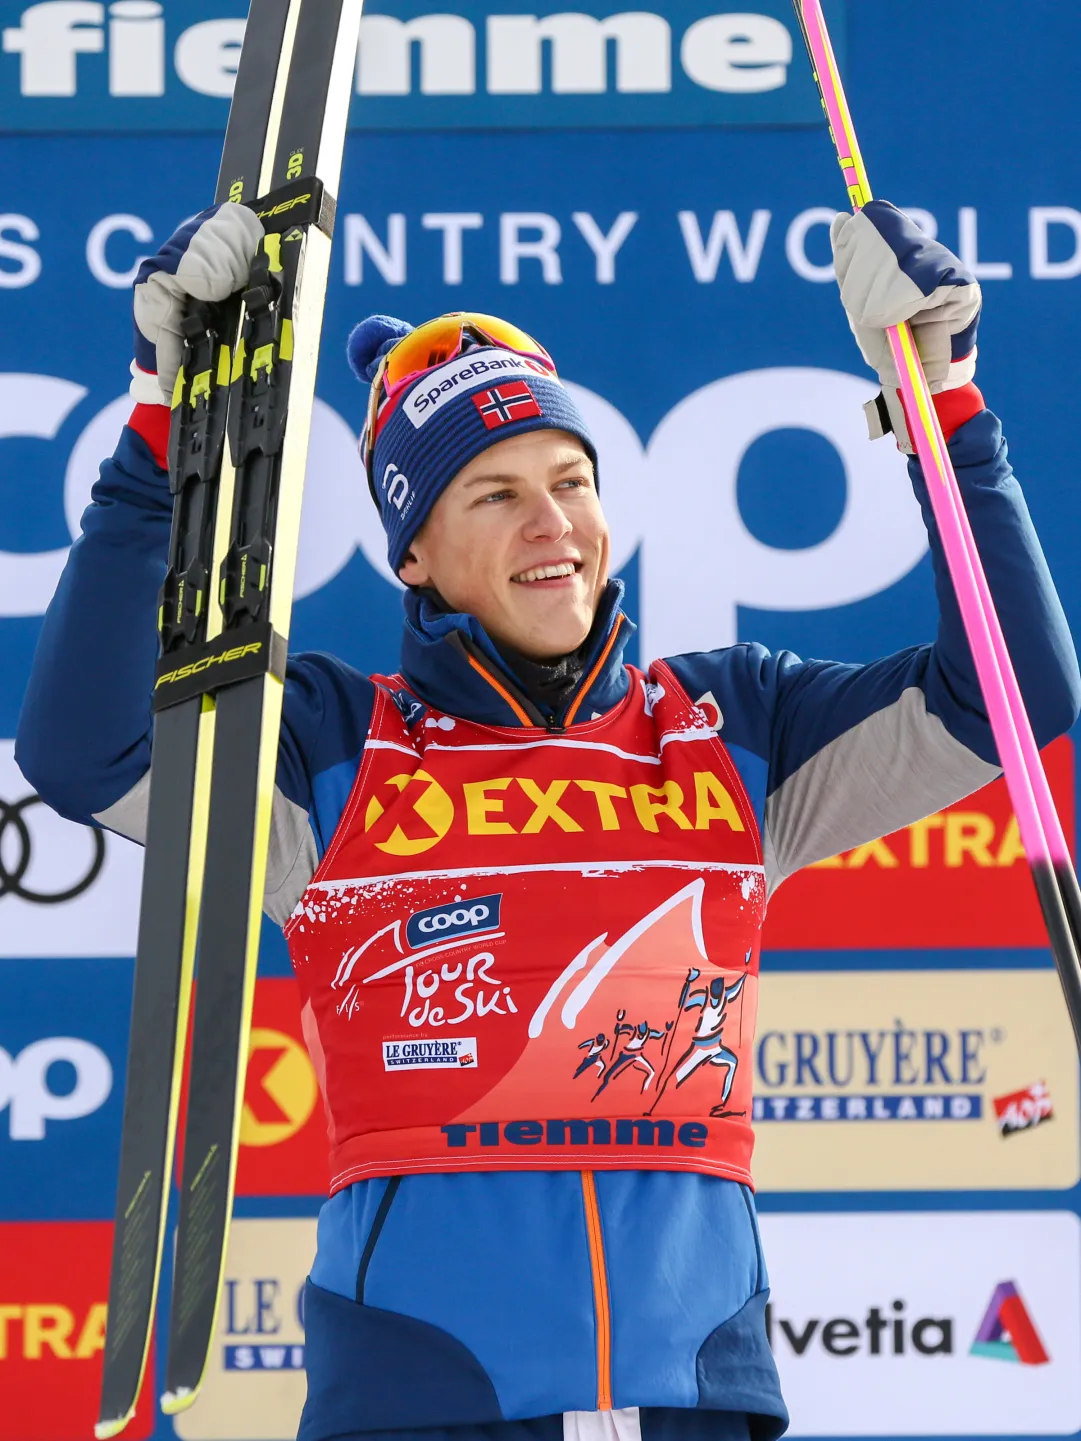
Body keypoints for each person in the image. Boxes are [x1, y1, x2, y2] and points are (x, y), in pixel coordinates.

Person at [17, 199, 1080, 1441]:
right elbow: (84, 749)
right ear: (411, 550)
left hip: (696, 1384)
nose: (551, 526)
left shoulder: (732, 727)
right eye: (493, 494)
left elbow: (1011, 691)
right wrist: (165, 427)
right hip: (423, 1395)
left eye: (570, 481)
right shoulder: (330, 749)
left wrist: (943, 404)